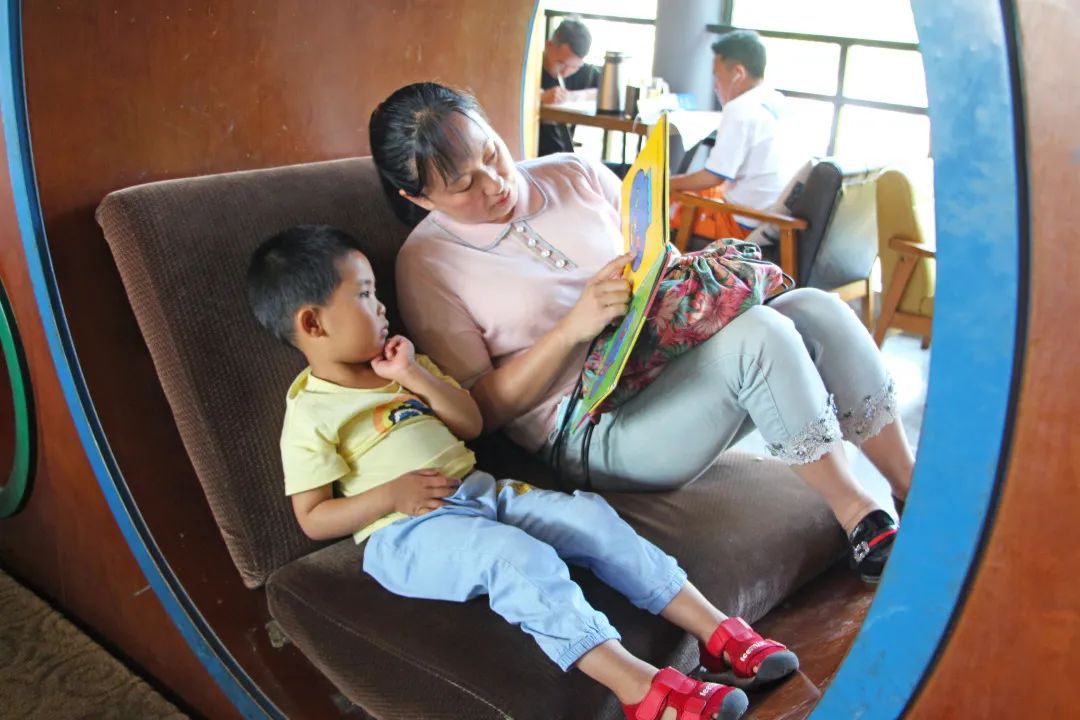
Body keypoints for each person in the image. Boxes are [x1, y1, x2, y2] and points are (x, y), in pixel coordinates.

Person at [245, 224, 802, 720]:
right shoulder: (310, 411)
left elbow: (468, 422)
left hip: (483, 493)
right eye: (365, 295)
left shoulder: (402, 365)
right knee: (514, 558)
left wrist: (414, 376)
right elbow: (313, 517)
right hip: (406, 533)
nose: (381, 306)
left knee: (590, 520)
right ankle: (639, 689)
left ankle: (716, 633)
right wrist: (390, 495)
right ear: (312, 323)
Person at [370, 82, 914, 584]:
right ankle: (859, 515)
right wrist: (571, 331)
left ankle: (912, 488)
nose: (494, 185)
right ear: (418, 199)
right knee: (761, 337)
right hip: (590, 425)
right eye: (463, 185)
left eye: (491, 154)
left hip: (670, 360)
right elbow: (478, 412)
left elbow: (656, 254)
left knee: (815, 308)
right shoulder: (428, 265)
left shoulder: (575, 173)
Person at [670, 30, 794, 241]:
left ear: (738, 72)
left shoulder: (740, 108)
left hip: (743, 223)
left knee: (664, 198)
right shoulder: (778, 101)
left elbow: (713, 177)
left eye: (717, 76)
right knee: (693, 190)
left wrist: (667, 183)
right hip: (774, 217)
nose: (715, 85)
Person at [538, 17, 601, 157]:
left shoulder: (585, 73)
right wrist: (540, 98)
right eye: (561, 63)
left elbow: (605, 92)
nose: (565, 72)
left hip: (562, 156)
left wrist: (572, 96)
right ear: (548, 46)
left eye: (573, 66)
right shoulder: (531, 68)